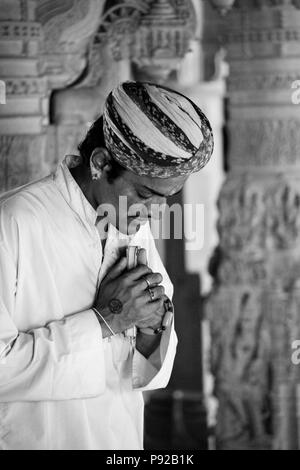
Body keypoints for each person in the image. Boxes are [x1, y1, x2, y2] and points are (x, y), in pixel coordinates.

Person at [0, 81, 214, 450]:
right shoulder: (16, 221)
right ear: (100, 163)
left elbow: (148, 358)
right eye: (146, 195)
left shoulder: (128, 222)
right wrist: (106, 319)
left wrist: (152, 327)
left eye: (166, 199)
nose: (154, 213)